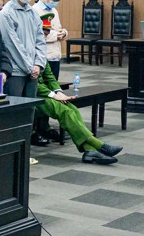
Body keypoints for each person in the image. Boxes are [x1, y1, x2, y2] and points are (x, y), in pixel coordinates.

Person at [31, 14, 123, 165]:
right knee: (65, 111)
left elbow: (50, 76)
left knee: (72, 108)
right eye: (43, 32)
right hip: (32, 95)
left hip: (45, 93)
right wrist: (53, 94)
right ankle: (98, 145)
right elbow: (32, 81)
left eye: (47, 32)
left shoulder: (40, 50)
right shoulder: (28, 49)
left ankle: (89, 151)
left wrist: (59, 92)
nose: (45, 36)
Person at [0, 0, 46, 98]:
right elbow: (12, 44)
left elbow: (40, 40)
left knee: (31, 107)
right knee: (15, 107)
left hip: (33, 71)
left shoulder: (33, 13)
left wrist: (38, 64)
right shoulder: (6, 13)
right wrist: (29, 67)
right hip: (15, 72)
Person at [34, 0, 67, 79]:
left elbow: (57, 29)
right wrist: (56, 35)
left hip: (55, 56)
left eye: (59, 0)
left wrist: (63, 33)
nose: (56, 3)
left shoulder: (54, 11)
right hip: (43, 57)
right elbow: (36, 33)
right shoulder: (34, 10)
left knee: (54, 83)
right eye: (55, 0)